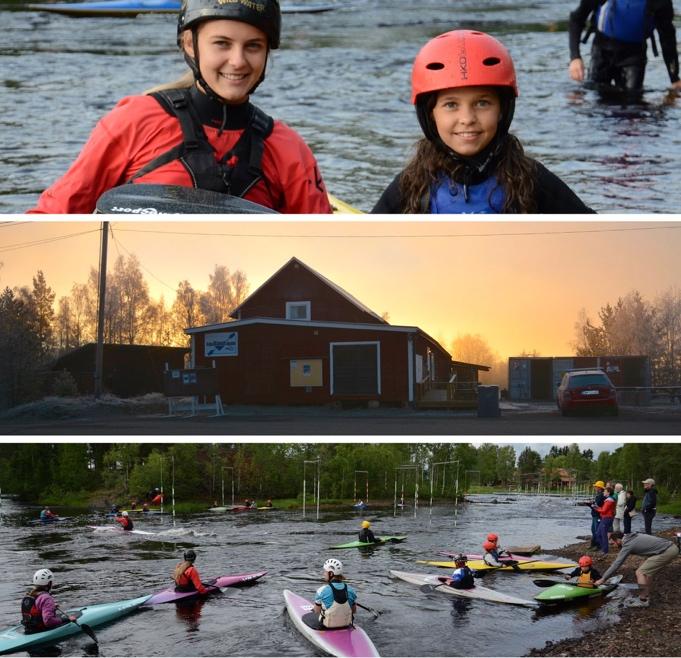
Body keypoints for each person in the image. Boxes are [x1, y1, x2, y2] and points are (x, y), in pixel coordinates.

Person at [28, 0, 332, 214]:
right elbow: (56, 212)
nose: (238, 61)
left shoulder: (288, 148)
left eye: (253, 46)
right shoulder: (135, 121)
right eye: (222, 44)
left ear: (266, 52)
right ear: (190, 45)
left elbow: (322, 245)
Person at [372, 30, 594, 214]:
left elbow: (595, 233)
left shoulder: (533, 180)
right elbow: (365, 242)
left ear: (502, 110)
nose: (467, 119)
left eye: (482, 103)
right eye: (451, 105)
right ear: (430, 114)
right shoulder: (411, 185)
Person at [567, 0, 681, 94]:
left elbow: (667, 37)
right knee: (597, 100)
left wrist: (674, 78)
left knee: (632, 109)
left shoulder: (660, 2)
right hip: (602, 53)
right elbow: (576, 19)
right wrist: (575, 58)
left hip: (633, 57)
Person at [594, 531, 681, 605]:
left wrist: (603, 579)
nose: (613, 546)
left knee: (640, 572)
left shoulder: (627, 544)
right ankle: (645, 596)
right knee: (647, 573)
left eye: (612, 543)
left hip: (667, 551)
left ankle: (642, 600)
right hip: (670, 548)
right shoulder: (631, 537)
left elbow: (617, 563)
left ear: (617, 540)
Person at [303, 559, 357, 630]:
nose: (324, 574)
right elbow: (354, 611)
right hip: (346, 624)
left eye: (325, 572)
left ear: (331, 573)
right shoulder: (351, 590)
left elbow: (316, 611)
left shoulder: (321, 590)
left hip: (326, 625)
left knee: (307, 617)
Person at [21, 569, 76, 634]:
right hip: (41, 629)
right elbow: (48, 621)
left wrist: (51, 607)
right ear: (49, 583)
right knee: (61, 619)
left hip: (29, 629)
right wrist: (67, 619)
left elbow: (36, 609)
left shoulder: (30, 594)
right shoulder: (46, 598)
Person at [592, 485, 616, 553]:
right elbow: (603, 509)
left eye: (605, 491)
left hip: (607, 518)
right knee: (598, 534)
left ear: (608, 493)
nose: (603, 493)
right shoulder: (608, 500)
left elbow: (603, 511)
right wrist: (597, 507)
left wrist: (596, 508)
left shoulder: (609, 501)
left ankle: (605, 550)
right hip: (605, 518)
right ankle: (603, 548)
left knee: (602, 534)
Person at [589, 480, 606, 551]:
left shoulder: (601, 496)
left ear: (599, 488)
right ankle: (593, 544)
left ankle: (598, 545)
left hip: (598, 515)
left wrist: (591, 505)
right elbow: (596, 505)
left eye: (596, 487)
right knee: (593, 530)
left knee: (596, 530)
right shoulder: (599, 495)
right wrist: (591, 504)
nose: (595, 488)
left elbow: (598, 505)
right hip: (595, 514)